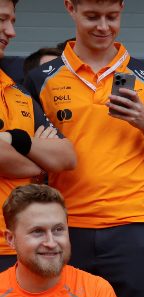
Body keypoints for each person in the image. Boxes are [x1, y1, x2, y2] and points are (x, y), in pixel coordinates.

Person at [24, 0, 144, 297]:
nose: (103, 26)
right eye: (92, 17)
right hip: (67, 225)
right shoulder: (41, 78)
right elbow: (33, 160)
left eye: (112, 17)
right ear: (70, 8)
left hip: (136, 224)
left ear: (122, 9)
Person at [1, 0, 76, 272]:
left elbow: (67, 156)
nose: (11, 32)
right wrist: (40, 161)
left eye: (13, 21)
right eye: (2, 20)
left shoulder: (16, 92)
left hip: (22, 247)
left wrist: (17, 140)